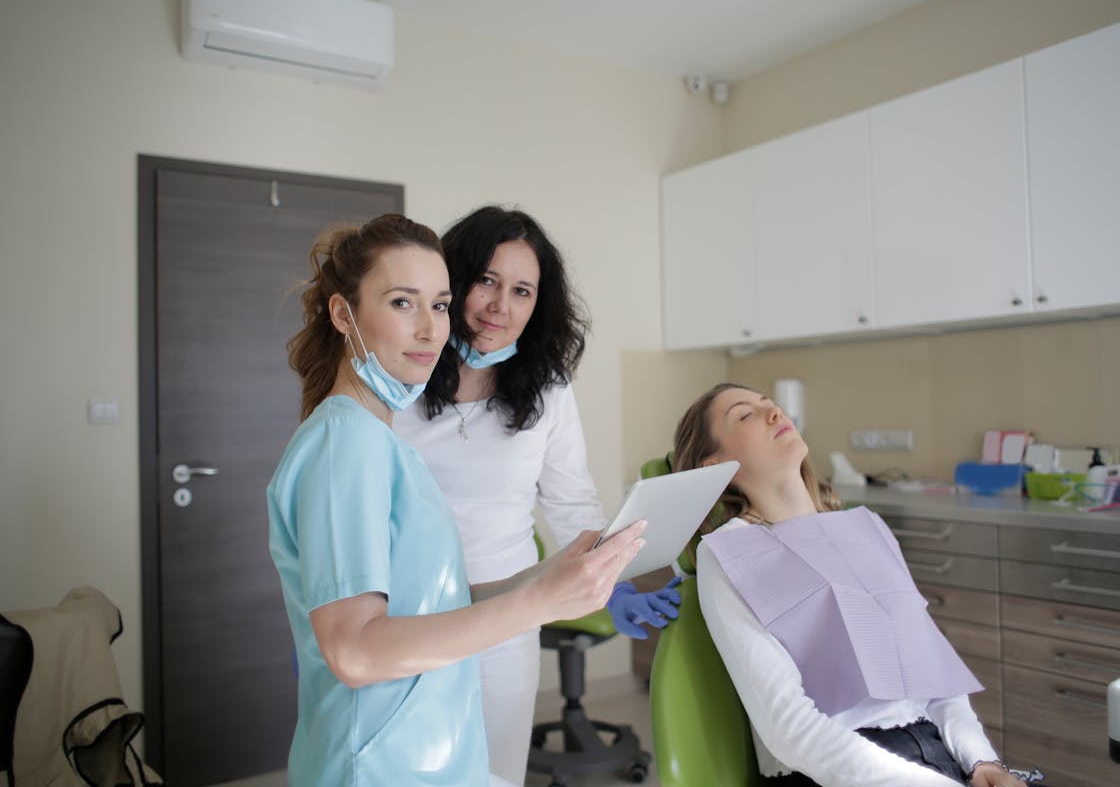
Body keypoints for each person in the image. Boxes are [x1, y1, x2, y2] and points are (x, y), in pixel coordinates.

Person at [266, 213, 645, 786]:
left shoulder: (380, 438)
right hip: (382, 731)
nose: (429, 329)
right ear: (344, 314)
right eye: (401, 303)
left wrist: (564, 578)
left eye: (437, 305)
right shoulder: (351, 439)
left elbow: (439, 596)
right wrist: (538, 602)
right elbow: (357, 651)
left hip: (432, 701)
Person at [392, 205, 680, 784]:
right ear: (452, 281)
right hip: (406, 617)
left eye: (522, 290)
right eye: (487, 281)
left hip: (507, 617)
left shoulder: (546, 390)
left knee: (495, 772)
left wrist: (614, 582)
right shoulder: (397, 377)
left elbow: (572, 505)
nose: (502, 305)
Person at [672, 383, 1028, 787]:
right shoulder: (731, 555)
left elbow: (936, 681)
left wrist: (983, 763)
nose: (775, 413)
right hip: (834, 770)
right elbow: (791, 731)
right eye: (745, 414)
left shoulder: (866, 529)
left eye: (770, 404)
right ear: (714, 465)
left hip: (937, 754)